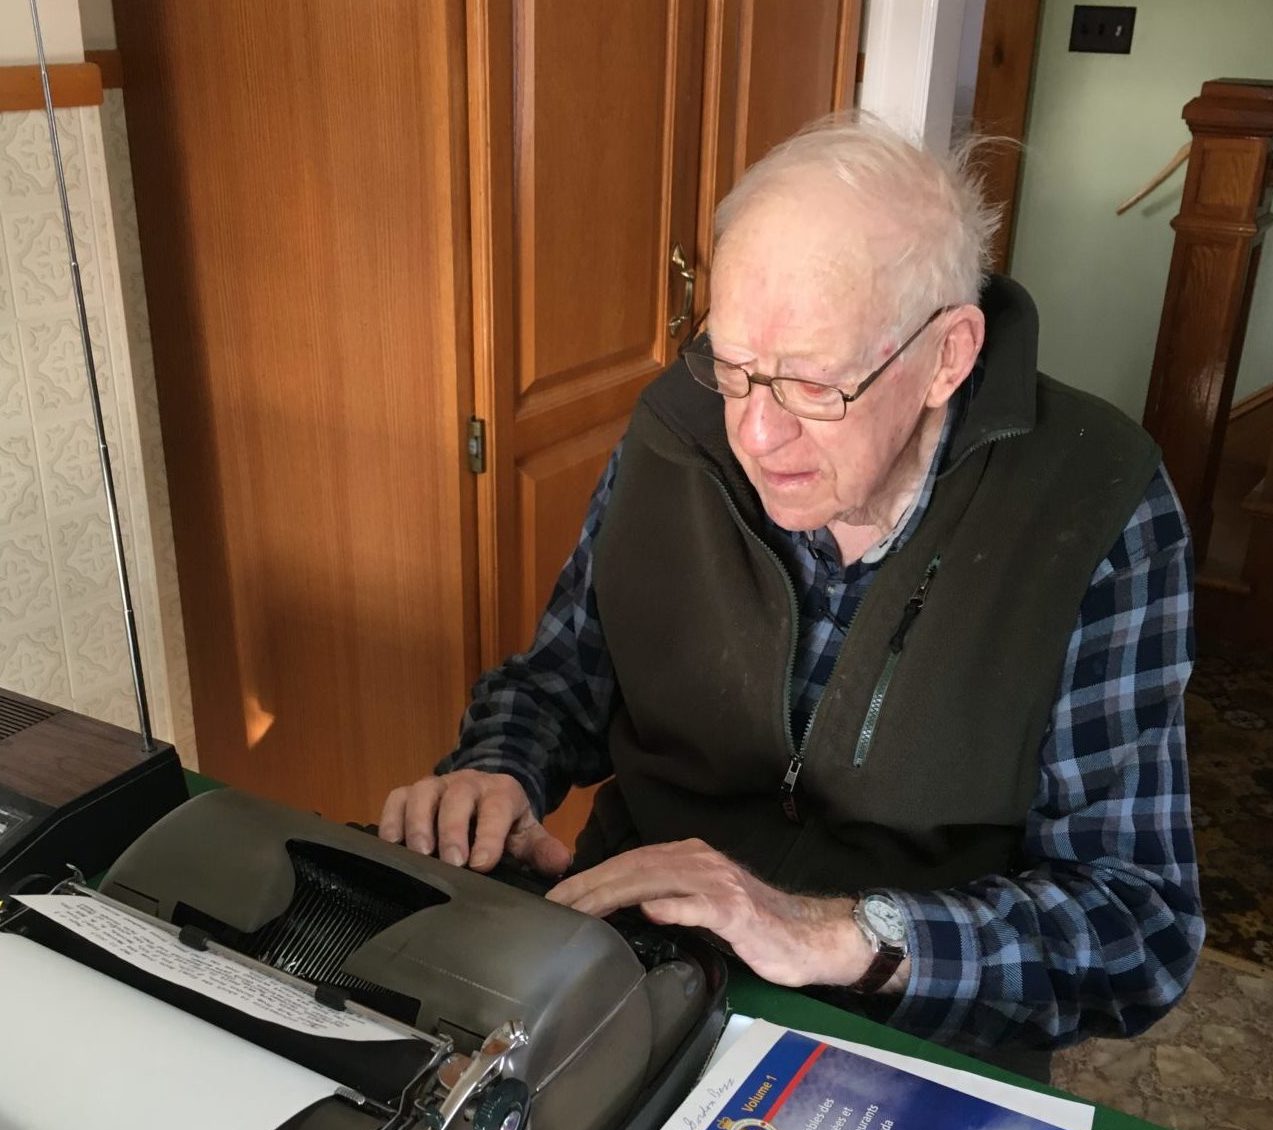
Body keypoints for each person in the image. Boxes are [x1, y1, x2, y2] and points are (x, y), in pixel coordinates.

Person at [379, 113, 1202, 1073]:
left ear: (947, 355)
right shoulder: (676, 430)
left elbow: (1137, 924)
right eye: (733, 370)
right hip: (636, 967)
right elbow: (563, 677)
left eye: (814, 386)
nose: (755, 436)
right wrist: (498, 770)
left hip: (904, 1035)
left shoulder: (1098, 501)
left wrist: (841, 932)